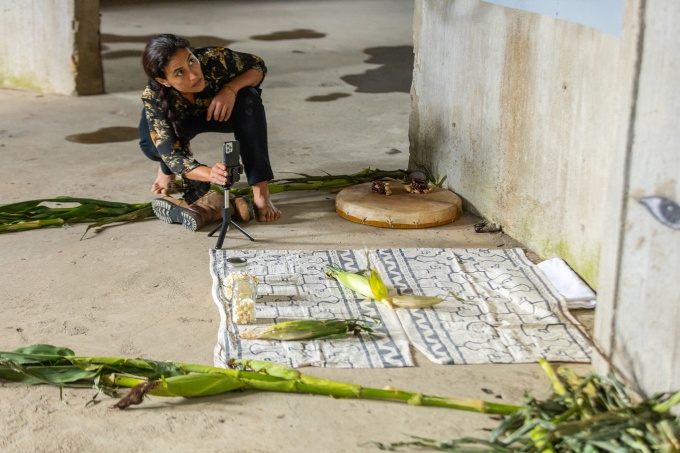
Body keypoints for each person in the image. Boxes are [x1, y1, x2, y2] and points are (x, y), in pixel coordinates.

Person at [139, 33, 281, 231]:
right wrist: (211, 174)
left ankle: (261, 194)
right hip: (179, 121)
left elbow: (258, 67)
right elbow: (172, 154)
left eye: (191, 61)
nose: (194, 74)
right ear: (164, 81)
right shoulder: (153, 97)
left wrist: (230, 89)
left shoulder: (213, 58)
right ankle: (165, 171)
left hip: (222, 112)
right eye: (180, 72)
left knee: (249, 99)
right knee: (152, 146)